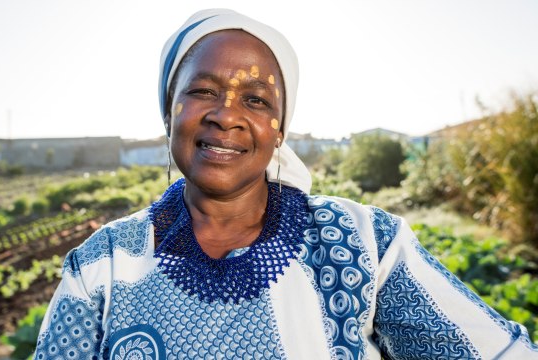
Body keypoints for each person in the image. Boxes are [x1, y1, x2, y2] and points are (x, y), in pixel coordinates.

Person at [33, 9, 538, 360]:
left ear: (280, 130)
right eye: (203, 90)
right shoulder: (101, 265)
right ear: (170, 112)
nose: (226, 116)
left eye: (256, 100)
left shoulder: (365, 243)